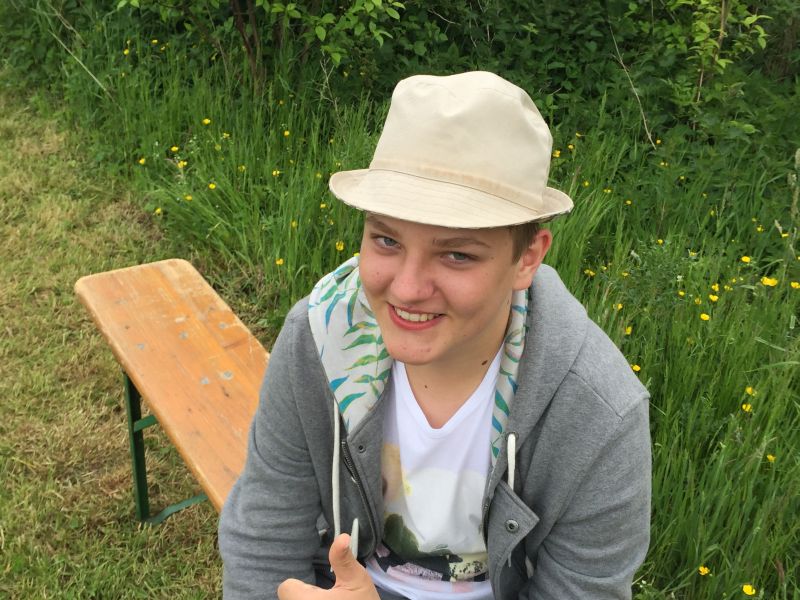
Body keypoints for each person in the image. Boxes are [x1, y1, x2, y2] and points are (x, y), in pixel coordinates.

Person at [218, 71, 651, 600]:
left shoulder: (598, 414)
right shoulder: (317, 340)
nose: (406, 288)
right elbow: (263, 539)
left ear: (527, 258)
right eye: (386, 240)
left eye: (457, 254)